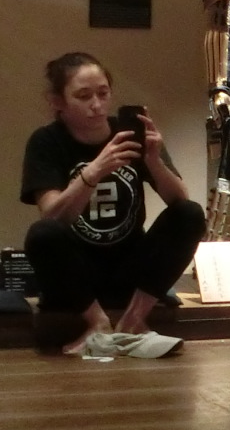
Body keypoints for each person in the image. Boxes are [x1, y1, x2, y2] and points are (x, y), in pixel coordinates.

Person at [20, 52, 203, 359]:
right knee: (42, 234)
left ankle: (133, 321)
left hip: (130, 270)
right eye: (83, 96)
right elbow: (52, 216)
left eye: (103, 94)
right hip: (77, 276)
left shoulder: (129, 134)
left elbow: (179, 200)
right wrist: (93, 172)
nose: (97, 104)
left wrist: (154, 161)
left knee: (190, 213)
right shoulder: (46, 141)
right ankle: (98, 324)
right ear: (58, 102)